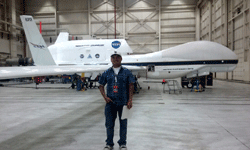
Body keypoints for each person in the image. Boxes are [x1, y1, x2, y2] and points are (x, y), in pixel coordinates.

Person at [99, 52, 135, 150]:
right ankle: (109, 144)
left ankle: (122, 144)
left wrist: (130, 100)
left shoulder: (127, 72)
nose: (116, 59)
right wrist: (105, 97)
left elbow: (131, 85)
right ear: (111, 60)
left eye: (118, 57)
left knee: (123, 124)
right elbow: (101, 85)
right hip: (110, 103)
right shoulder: (107, 72)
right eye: (113, 57)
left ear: (121, 59)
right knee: (109, 124)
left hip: (123, 103)